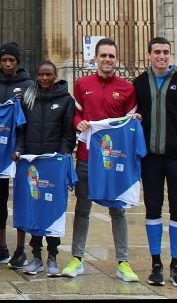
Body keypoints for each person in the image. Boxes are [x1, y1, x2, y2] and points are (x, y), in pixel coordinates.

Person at [63, 37, 138, 281]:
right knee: (82, 209)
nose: (107, 60)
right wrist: (79, 123)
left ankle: (123, 262)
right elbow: (75, 115)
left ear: (117, 60)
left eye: (111, 56)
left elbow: (130, 123)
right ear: (95, 58)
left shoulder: (127, 89)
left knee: (118, 210)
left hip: (113, 162)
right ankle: (76, 258)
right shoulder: (82, 84)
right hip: (86, 157)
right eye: (103, 55)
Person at [133, 37, 177, 288]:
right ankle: (156, 265)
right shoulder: (139, 83)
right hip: (150, 159)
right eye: (157, 52)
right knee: (152, 210)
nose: (162, 56)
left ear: (170, 55)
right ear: (148, 55)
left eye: (166, 52)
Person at [11, 60, 76, 277]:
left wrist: (65, 152)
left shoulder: (66, 100)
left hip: (53, 164)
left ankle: (53, 257)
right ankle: (36, 256)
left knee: (54, 210)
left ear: (55, 76)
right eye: (41, 74)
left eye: (49, 74)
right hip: (32, 163)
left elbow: (69, 133)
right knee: (35, 209)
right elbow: (21, 130)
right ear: (36, 76)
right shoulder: (28, 99)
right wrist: (19, 149)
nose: (45, 78)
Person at [0, 42, 34, 268]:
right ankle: (2, 246)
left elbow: (32, 117)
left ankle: (21, 248)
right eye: (4, 60)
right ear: (0, 62)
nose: (8, 64)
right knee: (0, 198)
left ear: (17, 62)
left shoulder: (29, 85)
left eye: (12, 60)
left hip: (21, 149)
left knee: (21, 197)